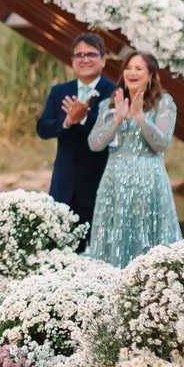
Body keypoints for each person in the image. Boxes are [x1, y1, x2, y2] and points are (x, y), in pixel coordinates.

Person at [86, 50, 181, 267]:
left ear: (150, 75)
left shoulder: (163, 103)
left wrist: (140, 118)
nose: (132, 72)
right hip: (114, 184)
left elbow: (161, 143)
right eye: (128, 68)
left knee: (150, 241)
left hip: (150, 182)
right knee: (114, 243)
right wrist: (118, 118)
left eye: (139, 68)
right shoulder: (109, 105)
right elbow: (95, 144)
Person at [35, 34, 117, 246]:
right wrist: (68, 121)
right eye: (79, 55)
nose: (85, 59)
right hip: (64, 185)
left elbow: (111, 133)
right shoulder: (59, 91)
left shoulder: (115, 92)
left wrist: (84, 119)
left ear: (103, 60)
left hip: (100, 184)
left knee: (99, 249)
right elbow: (43, 128)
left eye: (91, 54)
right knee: (61, 249)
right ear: (72, 61)